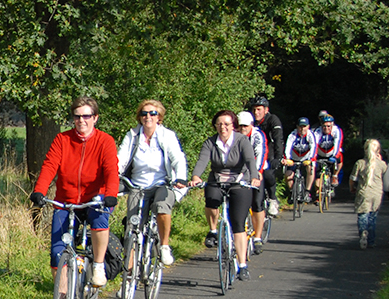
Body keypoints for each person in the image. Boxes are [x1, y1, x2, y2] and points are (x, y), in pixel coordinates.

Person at [30, 96, 120, 287]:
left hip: (95, 198)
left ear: (95, 118)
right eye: (77, 116)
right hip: (67, 200)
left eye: (86, 116)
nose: (82, 121)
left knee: (99, 221)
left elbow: (111, 170)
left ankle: (98, 265)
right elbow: (49, 166)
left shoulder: (105, 141)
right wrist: (39, 191)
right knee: (57, 253)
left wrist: (111, 194)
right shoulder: (62, 139)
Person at [116, 99, 187, 267]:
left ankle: (164, 246)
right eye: (144, 113)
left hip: (161, 183)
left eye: (152, 113)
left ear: (159, 117)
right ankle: (128, 279)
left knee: (162, 207)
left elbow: (178, 158)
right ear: (140, 117)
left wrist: (181, 177)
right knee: (132, 228)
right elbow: (120, 158)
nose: (148, 116)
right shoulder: (132, 136)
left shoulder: (166, 135)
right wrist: (114, 174)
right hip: (137, 185)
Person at [189, 109, 258, 281]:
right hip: (217, 179)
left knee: (238, 223)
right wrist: (196, 176)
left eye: (226, 124)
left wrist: (254, 177)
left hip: (239, 181)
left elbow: (250, 160)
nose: (223, 127)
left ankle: (242, 265)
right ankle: (213, 231)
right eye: (219, 124)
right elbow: (202, 161)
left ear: (233, 126)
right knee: (211, 200)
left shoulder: (242, 141)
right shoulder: (211, 142)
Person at [237, 110, 268, 253]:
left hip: (257, 169)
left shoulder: (257, 135)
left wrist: (257, 174)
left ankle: (258, 237)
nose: (243, 129)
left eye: (245, 126)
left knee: (257, 203)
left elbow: (261, 154)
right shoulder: (234, 135)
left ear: (251, 125)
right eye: (240, 126)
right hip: (240, 172)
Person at [349, 139, 387, 249]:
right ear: (378, 150)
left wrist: (352, 187)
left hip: (363, 192)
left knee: (362, 215)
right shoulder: (381, 164)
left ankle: (363, 233)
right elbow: (384, 173)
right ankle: (371, 241)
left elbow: (353, 178)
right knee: (372, 217)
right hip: (377, 193)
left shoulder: (360, 163)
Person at [250, 95, 284, 215]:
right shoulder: (250, 121)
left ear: (266, 110)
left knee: (268, 174)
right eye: (254, 109)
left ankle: (273, 198)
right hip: (255, 151)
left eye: (259, 109)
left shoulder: (273, 120)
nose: (256, 112)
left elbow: (278, 139)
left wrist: (278, 158)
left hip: (270, 151)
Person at [283, 117, 316, 199]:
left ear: (308, 126)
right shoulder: (292, 135)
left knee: (310, 169)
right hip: (293, 159)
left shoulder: (310, 135)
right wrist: (287, 158)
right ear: (297, 126)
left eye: (304, 126)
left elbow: (314, 147)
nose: (302, 129)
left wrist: (310, 159)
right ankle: (291, 192)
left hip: (306, 159)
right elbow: (288, 147)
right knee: (288, 175)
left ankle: (307, 192)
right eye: (300, 126)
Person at [312, 113, 344, 192]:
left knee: (340, 158)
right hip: (320, 153)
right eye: (324, 126)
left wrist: (335, 156)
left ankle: (334, 176)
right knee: (318, 176)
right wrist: (313, 157)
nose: (326, 128)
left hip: (332, 153)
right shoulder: (318, 132)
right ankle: (318, 196)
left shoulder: (337, 131)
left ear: (332, 125)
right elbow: (314, 145)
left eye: (329, 126)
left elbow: (338, 144)